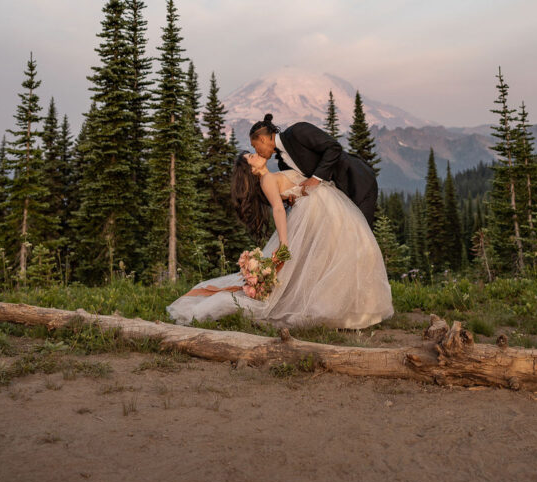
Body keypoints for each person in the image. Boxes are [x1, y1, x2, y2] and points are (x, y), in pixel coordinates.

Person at [165, 120, 393, 330]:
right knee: (338, 254)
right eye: (252, 156)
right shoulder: (267, 177)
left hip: (348, 188)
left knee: (353, 250)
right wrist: (284, 242)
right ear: (252, 170)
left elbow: (330, 152)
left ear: (263, 139)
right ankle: (345, 308)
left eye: (255, 149)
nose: (256, 153)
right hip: (320, 209)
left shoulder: (294, 139)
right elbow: (277, 208)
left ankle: (357, 306)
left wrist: (308, 183)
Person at [250, 113, 379, 226]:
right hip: (337, 199)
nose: (256, 151)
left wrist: (315, 178)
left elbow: (334, 148)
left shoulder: (297, 131)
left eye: (255, 146)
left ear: (262, 139)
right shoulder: (282, 163)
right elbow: (304, 183)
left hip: (357, 182)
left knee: (361, 236)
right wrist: (294, 197)